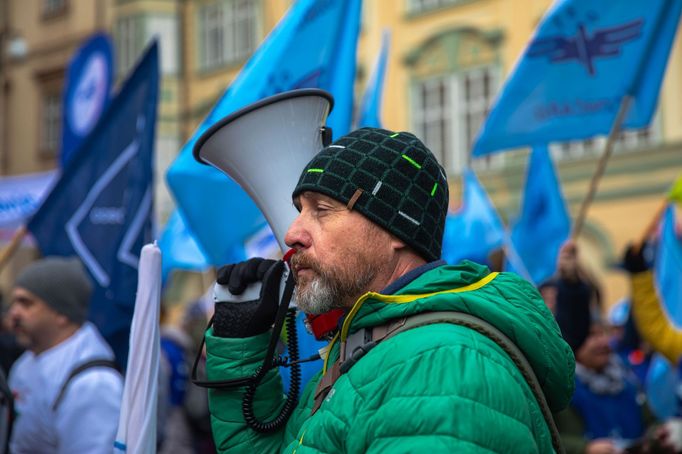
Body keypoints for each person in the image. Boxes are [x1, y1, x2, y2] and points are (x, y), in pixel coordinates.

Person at [200, 127, 575, 453]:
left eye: (322, 210)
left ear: (396, 230)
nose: (292, 233)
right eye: (300, 210)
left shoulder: (438, 365)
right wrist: (241, 345)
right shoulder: (376, 350)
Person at [7, 256, 123, 453]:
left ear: (62, 314)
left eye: (26, 304)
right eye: (15, 303)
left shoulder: (93, 383)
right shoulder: (27, 361)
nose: (14, 313)